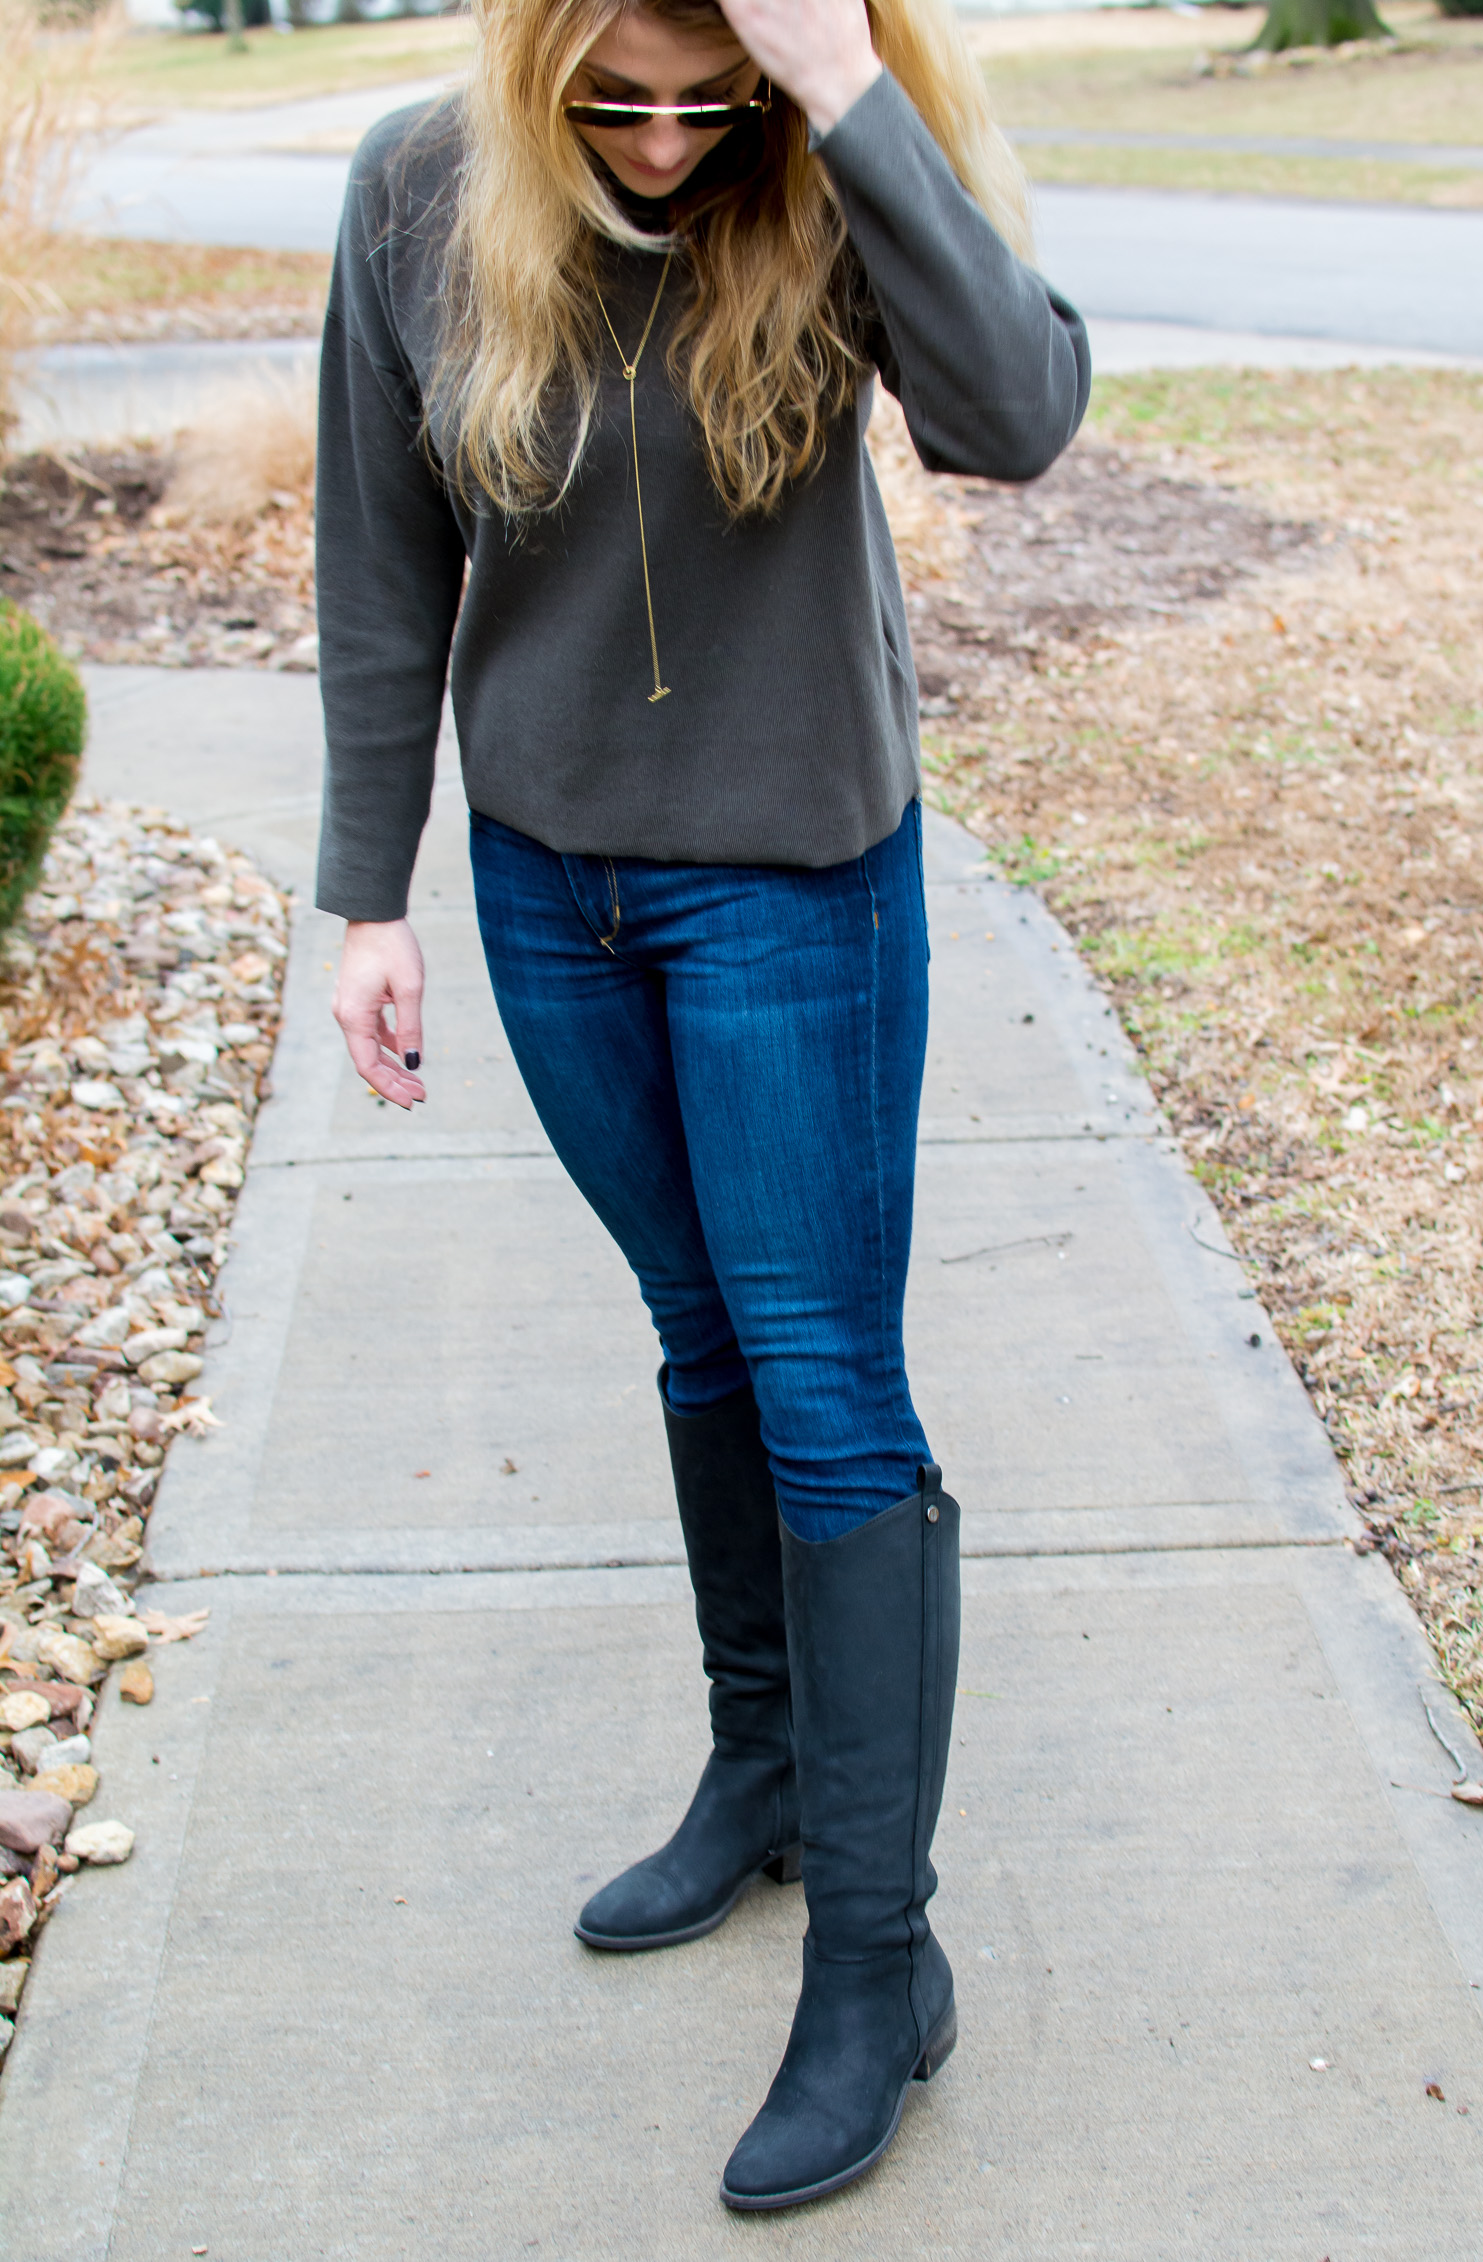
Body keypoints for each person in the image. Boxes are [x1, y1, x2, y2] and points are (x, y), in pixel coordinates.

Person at [316, 0, 1086, 2211]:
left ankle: (879, 1961)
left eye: (704, 100)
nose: (660, 143)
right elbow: (382, 558)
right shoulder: (416, 189)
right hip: (552, 883)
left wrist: (838, 94)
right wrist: (367, 892)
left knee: (826, 1390)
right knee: (697, 1334)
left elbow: (1017, 415)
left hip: (792, 882)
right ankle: (762, 1771)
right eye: (613, 103)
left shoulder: (828, 162)